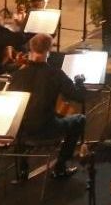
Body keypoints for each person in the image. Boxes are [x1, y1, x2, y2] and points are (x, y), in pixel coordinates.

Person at [6, 33, 87, 177]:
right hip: (46, 128)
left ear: (30, 49)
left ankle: (23, 168)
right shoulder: (55, 73)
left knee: (28, 114)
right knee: (79, 119)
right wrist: (80, 83)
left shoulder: (17, 75)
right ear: (49, 50)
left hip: (19, 131)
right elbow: (78, 96)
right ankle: (60, 166)